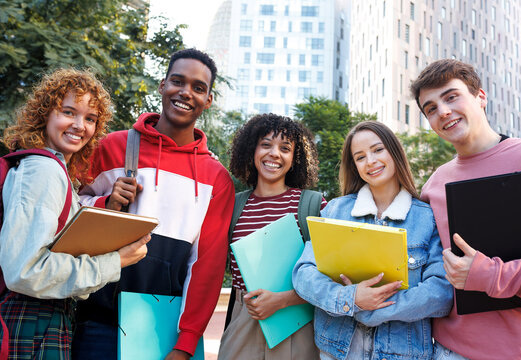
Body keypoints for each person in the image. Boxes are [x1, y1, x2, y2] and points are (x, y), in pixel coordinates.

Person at [72, 49, 235, 360]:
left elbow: (207, 267)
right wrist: (106, 203)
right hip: (96, 324)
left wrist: (186, 343)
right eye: (178, 81)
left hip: (164, 330)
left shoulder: (217, 179)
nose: (186, 93)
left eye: (198, 88)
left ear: (208, 100)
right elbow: (66, 209)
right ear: (162, 85)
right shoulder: (112, 147)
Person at [0, 68, 150, 359]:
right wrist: (115, 262)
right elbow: (25, 272)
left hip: (44, 319)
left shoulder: (50, 169)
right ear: (45, 114)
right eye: (69, 112)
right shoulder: (42, 170)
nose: (80, 125)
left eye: (90, 118)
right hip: (32, 320)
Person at [411, 59, 521, 360]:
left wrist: (490, 274)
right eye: (430, 108)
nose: (442, 111)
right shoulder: (434, 184)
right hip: (446, 351)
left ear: (480, 97)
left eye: (451, 96)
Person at [292, 121, 453, 360]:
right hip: (337, 352)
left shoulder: (427, 217)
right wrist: (350, 299)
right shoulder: (335, 210)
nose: (370, 161)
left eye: (378, 150)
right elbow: (303, 274)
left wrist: (374, 308)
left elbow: (440, 292)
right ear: (354, 166)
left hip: (402, 354)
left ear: (394, 151)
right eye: (360, 157)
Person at [217, 113, 324, 360]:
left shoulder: (313, 205)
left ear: (295, 158)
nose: (274, 153)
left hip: (299, 322)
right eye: (266, 144)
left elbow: (328, 275)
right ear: (251, 151)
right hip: (245, 319)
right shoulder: (232, 206)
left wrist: (283, 300)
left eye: (285, 148)